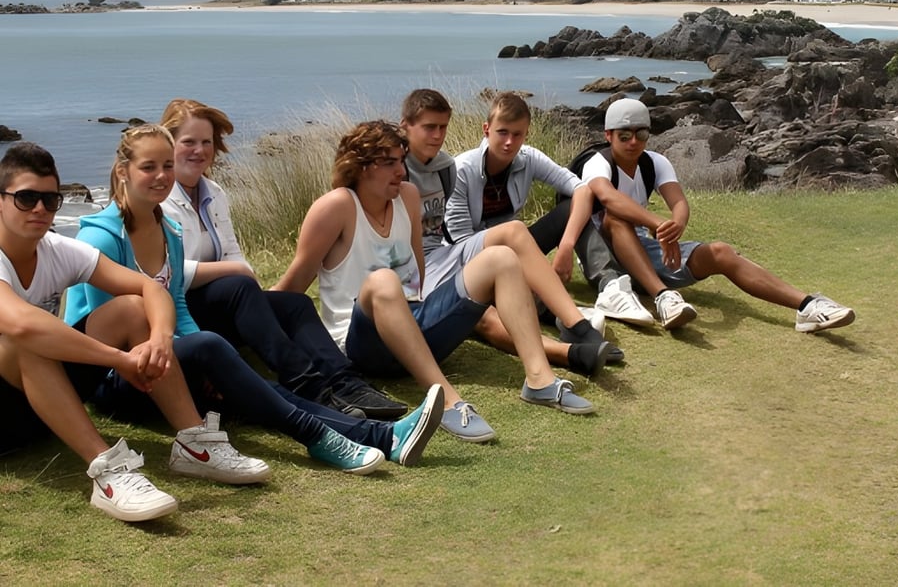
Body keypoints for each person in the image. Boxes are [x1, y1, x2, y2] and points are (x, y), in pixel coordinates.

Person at [63, 124, 444, 480]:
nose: (162, 176)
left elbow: (177, 305)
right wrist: (199, 357)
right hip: (119, 378)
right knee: (221, 356)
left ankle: (380, 434)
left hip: (165, 360)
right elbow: (111, 335)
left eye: (167, 165)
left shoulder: (169, 232)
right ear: (123, 171)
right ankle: (344, 435)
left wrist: (204, 365)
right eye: (149, 167)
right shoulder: (102, 239)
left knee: (244, 378)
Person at [274, 120, 594, 444]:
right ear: (359, 165)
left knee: (503, 257)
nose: (401, 170)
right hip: (363, 345)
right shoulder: (336, 206)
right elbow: (293, 284)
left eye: (401, 160)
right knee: (384, 281)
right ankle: (448, 402)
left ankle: (540, 380)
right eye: (389, 163)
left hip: (417, 330)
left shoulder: (408, 197)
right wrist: (250, 329)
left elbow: (418, 273)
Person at [0, 141, 271, 523]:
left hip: (39, 406)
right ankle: (107, 470)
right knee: (23, 338)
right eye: (26, 199)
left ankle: (195, 443)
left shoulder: (58, 249)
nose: (41, 209)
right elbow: (21, 323)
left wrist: (160, 340)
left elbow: (151, 289)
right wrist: (119, 360)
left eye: (50, 199)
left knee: (131, 308)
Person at [158, 98, 405, 420]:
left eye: (207, 142)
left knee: (293, 303)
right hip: (176, 313)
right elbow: (167, 273)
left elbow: (234, 253)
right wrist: (233, 271)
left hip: (220, 303)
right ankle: (311, 388)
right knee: (237, 286)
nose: (199, 150)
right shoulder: (159, 197)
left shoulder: (213, 193)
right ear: (169, 144)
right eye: (188, 142)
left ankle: (347, 383)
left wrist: (236, 271)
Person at [581, 97, 856, 332]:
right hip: (606, 261)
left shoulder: (655, 162)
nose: (633, 142)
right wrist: (657, 223)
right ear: (608, 136)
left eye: (640, 134)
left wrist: (676, 226)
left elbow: (679, 202)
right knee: (614, 216)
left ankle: (806, 306)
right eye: (624, 136)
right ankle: (663, 297)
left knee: (721, 252)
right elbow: (608, 198)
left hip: (644, 251)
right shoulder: (597, 163)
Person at [403, 89, 618, 377]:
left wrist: (565, 248)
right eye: (503, 132)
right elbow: (456, 240)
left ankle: (585, 316)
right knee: (485, 314)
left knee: (562, 212)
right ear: (487, 129)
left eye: (517, 135)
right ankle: (572, 351)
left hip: (483, 254)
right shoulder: (458, 169)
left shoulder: (444, 168)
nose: (509, 142)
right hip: (462, 256)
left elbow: (581, 188)